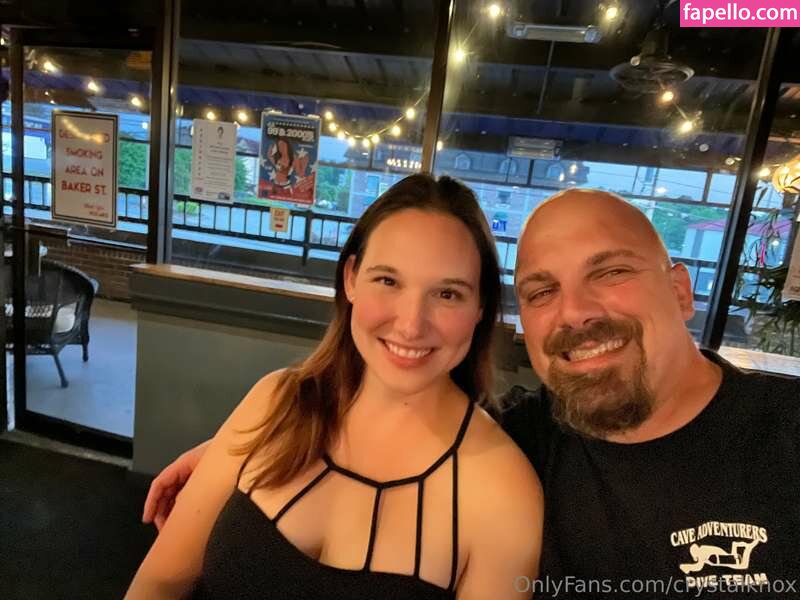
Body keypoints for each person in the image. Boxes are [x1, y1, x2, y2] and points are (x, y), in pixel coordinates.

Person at [145, 188, 800, 597]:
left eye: (610, 273)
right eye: (543, 291)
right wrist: (237, 447)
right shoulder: (536, 436)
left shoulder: (785, 438)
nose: (575, 313)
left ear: (681, 291)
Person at [127, 174, 543, 599]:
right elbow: (159, 584)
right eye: (388, 281)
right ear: (351, 278)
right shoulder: (276, 403)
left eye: (448, 294)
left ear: (480, 306)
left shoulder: (503, 495)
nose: (411, 325)